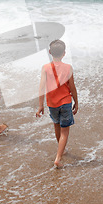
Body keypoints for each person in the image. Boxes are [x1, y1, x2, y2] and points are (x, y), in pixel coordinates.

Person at [36, 39, 78, 168]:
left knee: (56, 126)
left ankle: (61, 150)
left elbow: (41, 87)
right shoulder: (68, 68)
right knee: (65, 131)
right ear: (64, 53)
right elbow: (72, 87)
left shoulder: (45, 68)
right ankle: (58, 158)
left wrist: (40, 105)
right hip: (65, 102)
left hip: (52, 104)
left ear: (49, 52)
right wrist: (76, 101)